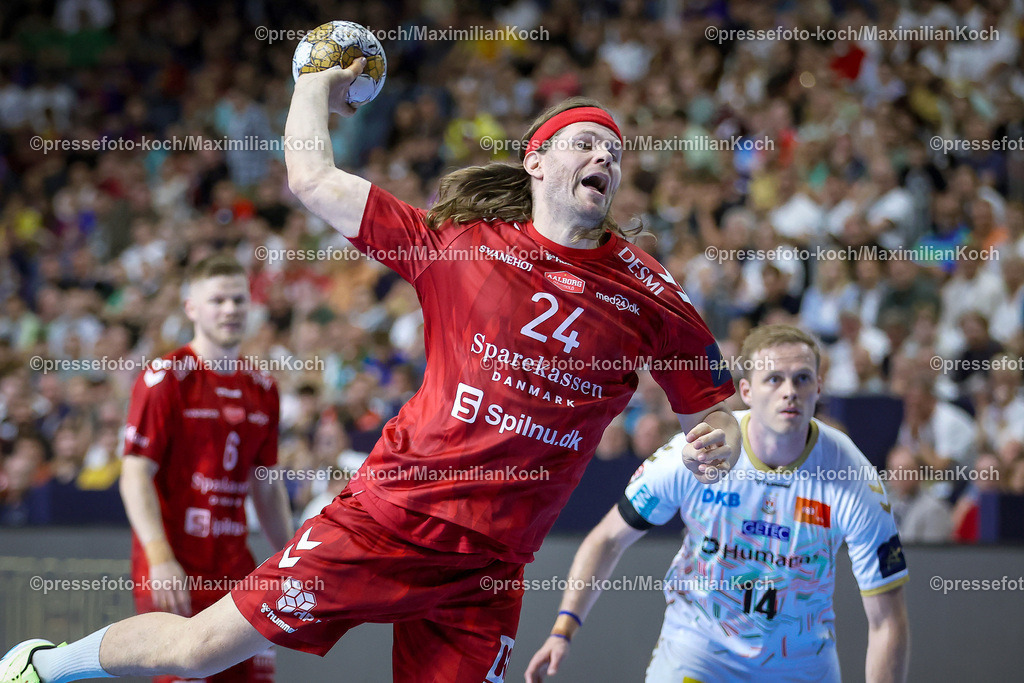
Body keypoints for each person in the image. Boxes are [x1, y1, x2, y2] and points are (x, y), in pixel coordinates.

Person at [1, 58, 741, 683]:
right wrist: (310, 84)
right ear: (537, 161)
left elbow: (710, 408)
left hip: (489, 569)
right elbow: (311, 176)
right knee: (200, 651)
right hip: (389, 518)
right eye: (586, 144)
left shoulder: (648, 292)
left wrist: (721, 438)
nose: (605, 160)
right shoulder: (459, 246)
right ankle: (44, 663)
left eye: (615, 154)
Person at [525, 324, 910, 683]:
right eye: (774, 379)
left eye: (802, 379)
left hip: (801, 666)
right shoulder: (700, 451)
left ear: (819, 388)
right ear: (746, 391)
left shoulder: (851, 475)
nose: (789, 390)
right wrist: (564, 629)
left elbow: (887, 620)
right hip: (699, 652)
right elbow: (607, 538)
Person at [118, 253, 294, 683]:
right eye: (217, 300)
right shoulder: (166, 378)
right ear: (191, 308)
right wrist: (159, 557)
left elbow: (265, 485)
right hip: (175, 565)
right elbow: (134, 473)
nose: (230, 309)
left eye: (238, 300)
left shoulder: (264, 388)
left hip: (236, 566)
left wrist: (291, 559)